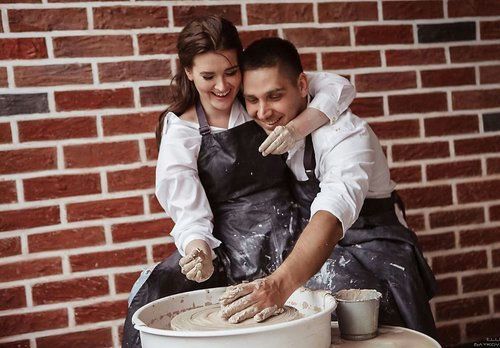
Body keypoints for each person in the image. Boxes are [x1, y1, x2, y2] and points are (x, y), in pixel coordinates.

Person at [122, 16, 355, 347]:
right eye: (208, 76)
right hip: (228, 244)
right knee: (158, 299)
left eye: (231, 72)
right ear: (188, 72)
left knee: (334, 304)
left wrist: (297, 127)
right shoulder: (182, 130)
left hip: (292, 227)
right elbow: (189, 213)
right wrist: (197, 249)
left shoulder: (256, 101)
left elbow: (338, 88)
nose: (222, 86)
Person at [219, 37, 438, 338]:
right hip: (316, 241)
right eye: (252, 100)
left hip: (371, 243)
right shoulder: (276, 117)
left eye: (275, 96)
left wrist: (279, 285)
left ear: (302, 86)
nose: (263, 112)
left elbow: (332, 213)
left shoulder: (346, 135)